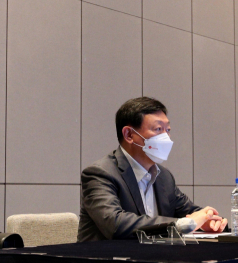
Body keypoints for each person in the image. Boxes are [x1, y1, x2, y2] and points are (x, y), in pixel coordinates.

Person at [77, 97, 228, 241]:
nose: (166, 138)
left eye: (168, 130)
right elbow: (115, 223)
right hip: (106, 258)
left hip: (154, 257)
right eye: (158, 129)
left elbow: (191, 213)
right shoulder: (100, 174)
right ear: (129, 135)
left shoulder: (164, 176)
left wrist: (210, 220)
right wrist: (182, 224)